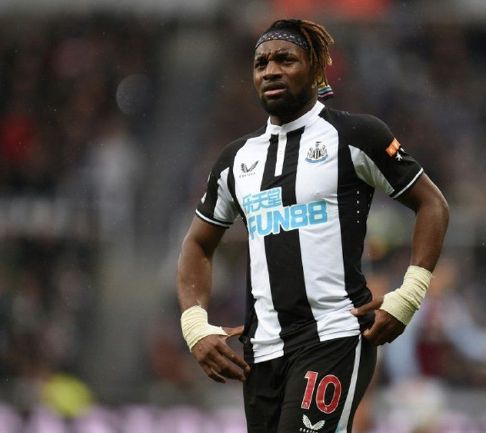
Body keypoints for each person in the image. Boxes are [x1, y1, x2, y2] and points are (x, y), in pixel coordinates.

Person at [176, 18, 449, 433]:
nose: (270, 70)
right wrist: (194, 325)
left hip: (334, 336)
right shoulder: (236, 161)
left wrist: (409, 294)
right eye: (261, 63)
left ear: (317, 69)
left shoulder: (356, 135)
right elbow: (197, 244)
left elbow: (432, 203)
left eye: (285, 59)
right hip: (261, 353)